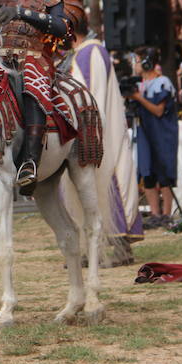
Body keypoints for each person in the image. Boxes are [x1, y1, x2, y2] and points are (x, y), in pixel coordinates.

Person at [0, 0, 86, 195]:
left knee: (31, 78)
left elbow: (63, 28)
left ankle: (30, 158)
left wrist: (20, 12)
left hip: (34, 58)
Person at [66, 20, 144, 258]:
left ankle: (119, 248)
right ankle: (92, 248)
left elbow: (90, 97)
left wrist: (86, 131)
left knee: (107, 181)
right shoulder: (82, 53)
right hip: (87, 134)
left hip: (98, 134)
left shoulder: (91, 52)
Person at [128, 48, 178, 227]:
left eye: (138, 60)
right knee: (147, 173)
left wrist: (138, 98)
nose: (135, 64)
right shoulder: (139, 84)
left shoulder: (162, 82)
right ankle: (155, 214)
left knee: (163, 174)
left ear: (147, 62)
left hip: (161, 133)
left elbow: (158, 111)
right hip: (144, 133)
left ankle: (166, 214)